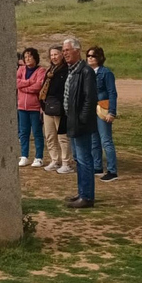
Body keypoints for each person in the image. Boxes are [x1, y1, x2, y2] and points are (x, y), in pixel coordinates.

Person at [62, 38, 98, 209]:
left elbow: (90, 99)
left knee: (84, 159)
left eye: (67, 50)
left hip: (81, 122)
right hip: (73, 121)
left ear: (77, 50)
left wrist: (82, 120)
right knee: (78, 158)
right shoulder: (72, 70)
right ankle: (82, 192)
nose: (65, 53)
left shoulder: (86, 71)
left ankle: (87, 197)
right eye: (63, 51)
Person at [86, 46, 119, 182]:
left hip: (103, 108)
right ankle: (97, 166)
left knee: (106, 140)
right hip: (91, 109)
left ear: (99, 58)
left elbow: (112, 93)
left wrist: (112, 112)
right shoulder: (87, 72)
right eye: (88, 56)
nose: (89, 58)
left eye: (92, 56)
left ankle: (112, 170)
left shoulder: (106, 73)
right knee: (94, 139)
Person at [39, 46, 73, 174]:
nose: (53, 57)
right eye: (52, 55)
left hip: (61, 108)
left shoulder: (66, 71)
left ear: (62, 55)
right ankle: (55, 160)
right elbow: (43, 88)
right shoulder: (50, 71)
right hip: (48, 106)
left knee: (62, 137)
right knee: (49, 135)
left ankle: (66, 162)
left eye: (56, 54)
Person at [17, 47, 46, 167]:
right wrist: (29, 82)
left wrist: (24, 86)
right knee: (24, 132)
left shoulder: (41, 70)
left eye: (30, 56)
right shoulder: (21, 69)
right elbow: (16, 82)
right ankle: (24, 155)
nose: (27, 59)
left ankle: (39, 157)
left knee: (37, 132)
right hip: (21, 106)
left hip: (35, 107)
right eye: (25, 57)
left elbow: (38, 86)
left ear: (35, 57)